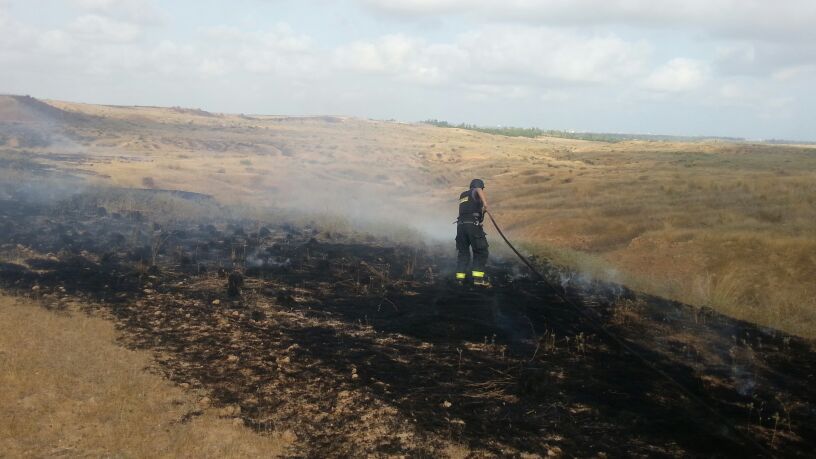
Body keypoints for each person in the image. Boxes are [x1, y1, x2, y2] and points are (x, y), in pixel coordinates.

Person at [455, 178, 489, 286]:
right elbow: (478, 190)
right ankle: (478, 280)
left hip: (461, 226)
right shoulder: (476, 190)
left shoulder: (463, 195)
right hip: (472, 225)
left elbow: (468, 210)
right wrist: (485, 204)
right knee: (480, 251)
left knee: (463, 253)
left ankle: (460, 279)